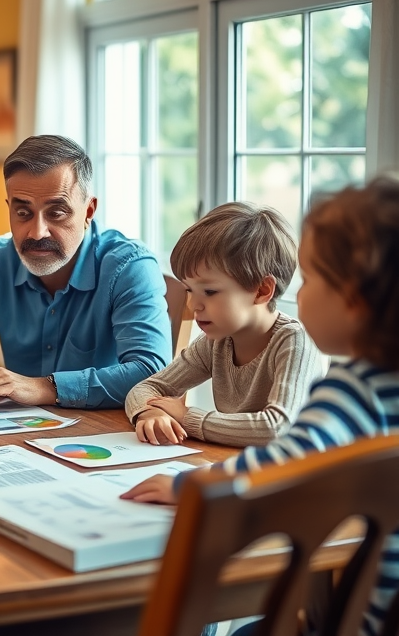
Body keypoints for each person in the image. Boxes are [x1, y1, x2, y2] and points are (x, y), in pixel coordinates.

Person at [123, 176, 399, 636]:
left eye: (310, 280)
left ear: (352, 301)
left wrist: (192, 486)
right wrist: (152, 408)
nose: (300, 292)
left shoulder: (355, 391)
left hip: (358, 621)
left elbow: (284, 453)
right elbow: (149, 387)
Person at [0, 135, 171, 409]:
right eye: (23, 212)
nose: (37, 232)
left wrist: (44, 386)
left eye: (56, 213)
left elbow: (151, 372)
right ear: (9, 209)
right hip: (18, 434)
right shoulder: (0, 260)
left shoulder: (130, 267)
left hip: (106, 434)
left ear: (88, 211)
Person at [125, 203, 325, 447]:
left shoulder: (294, 342)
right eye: (189, 289)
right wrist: (151, 413)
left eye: (209, 291)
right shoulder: (216, 342)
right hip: (243, 467)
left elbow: (276, 428)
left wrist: (187, 417)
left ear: (262, 290)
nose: (193, 304)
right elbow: (146, 388)